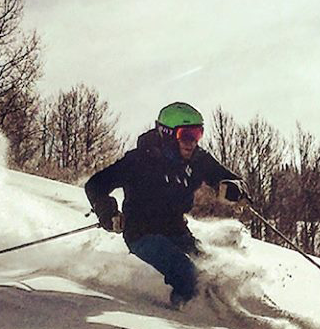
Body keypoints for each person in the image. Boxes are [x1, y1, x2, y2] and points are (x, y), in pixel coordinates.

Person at [85, 102, 248, 308]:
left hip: (177, 231)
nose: (192, 143)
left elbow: (234, 180)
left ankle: (229, 313)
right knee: (188, 273)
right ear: (168, 134)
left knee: (212, 269)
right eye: (186, 135)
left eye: (198, 134)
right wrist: (107, 211)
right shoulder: (138, 161)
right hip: (142, 233)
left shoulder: (197, 160)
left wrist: (234, 188)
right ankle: (183, 315)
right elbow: (96, 185)